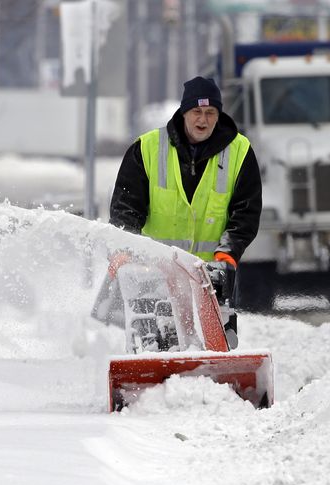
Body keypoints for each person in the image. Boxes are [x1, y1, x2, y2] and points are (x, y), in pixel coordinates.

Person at [109, 76, 262, 341]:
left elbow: (246, 212)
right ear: (183, 113)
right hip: (154, 277)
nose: (202, 120)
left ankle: (213, 383)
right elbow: (125, 207)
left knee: (214, 350)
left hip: (211, 278)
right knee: (153, 346)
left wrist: (228, 254)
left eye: (210, 112)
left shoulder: (240, 152)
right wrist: (125, 248)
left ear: (218, 114)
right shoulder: (146, 149)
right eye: (196, 112)